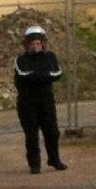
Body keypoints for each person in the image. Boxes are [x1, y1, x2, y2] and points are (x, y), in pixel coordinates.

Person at [14, 26, 68, 174]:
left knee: (52, 132)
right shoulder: (21, 59)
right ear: (27, 44)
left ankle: (54, 159)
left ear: (43, 43)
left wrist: (37, 75)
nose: (35, 46)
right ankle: (35, 164)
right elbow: (23, 75)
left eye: (38, 43)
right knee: (31, 135)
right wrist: (44, 75)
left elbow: (57, 73)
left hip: (46, 101)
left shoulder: (50, 56)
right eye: (32, 43)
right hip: (27, 102)